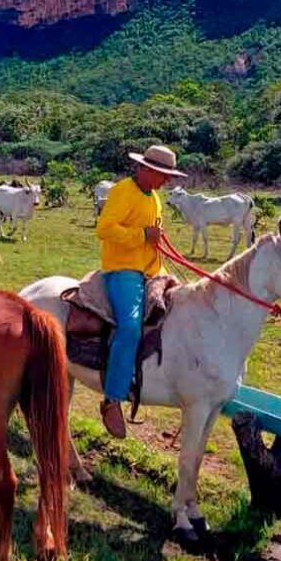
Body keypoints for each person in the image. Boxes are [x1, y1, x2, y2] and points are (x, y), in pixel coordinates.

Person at [95, 144, 186, 439]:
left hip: (151, 270)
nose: (166, 181)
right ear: (145, 169)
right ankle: (112, 398)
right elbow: (105, 229)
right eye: (162, 174)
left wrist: (154, 238)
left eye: (168, 176)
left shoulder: (154, 197)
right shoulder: (124, 190)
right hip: (123, 269)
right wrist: (142, 236)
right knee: (131, 328)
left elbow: (150, 232)